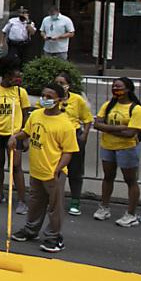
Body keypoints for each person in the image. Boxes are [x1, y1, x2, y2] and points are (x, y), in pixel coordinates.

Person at [9, 82, 79, 253]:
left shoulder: (65, 124)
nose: (45, 99)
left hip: (53, 172)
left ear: (59, 100)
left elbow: (68, 151)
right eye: (43, 95)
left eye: (49, 97)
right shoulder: (36, 115)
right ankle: (31, 229)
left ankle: (54, 236)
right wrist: (15, 137)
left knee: (55, 206)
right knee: (35, 202)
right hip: (36, 170)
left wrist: (58, 169)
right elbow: (27, 132)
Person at [92, 77, 141, 226]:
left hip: (127, 148)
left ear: (128, 89)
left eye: (119, 87)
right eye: (114, 86)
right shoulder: (108, 105)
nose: (115, 89)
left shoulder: (136, 109)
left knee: (130, 180)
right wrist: (120, 128)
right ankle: (104, 207)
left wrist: (107, 128)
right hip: (107, 146)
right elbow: (97, 124)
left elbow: (131, 133)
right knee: (108, 177)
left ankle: (131, 214)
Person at [0, 58, 31, 212]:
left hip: (14, 134)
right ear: (6, 75)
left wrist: (26, 136)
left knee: (16, 166)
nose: (17, 78)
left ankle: (22, 200)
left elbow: (26, 115)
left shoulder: (20, 92)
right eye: (14, 75)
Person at [53, 73, 94, 216]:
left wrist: (84, 136)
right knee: (55, 170)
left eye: (62, 82)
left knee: (75, 170)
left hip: (74, 137)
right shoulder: (51, 99)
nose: (59, 85)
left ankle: (75, 201)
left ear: (68, 85)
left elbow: (87, 119)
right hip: (55, 138)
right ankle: (54, 200)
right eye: (56, 82)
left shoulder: (77, 99)